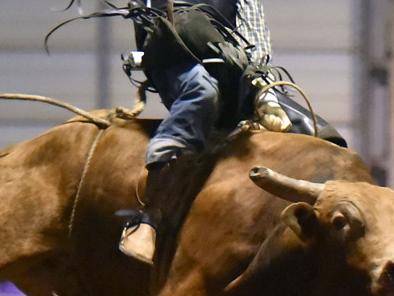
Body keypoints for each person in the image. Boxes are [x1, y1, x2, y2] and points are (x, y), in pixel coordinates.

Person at [116, 0, 288, 264]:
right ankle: (148, 218)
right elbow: (146, 24)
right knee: (201, 93)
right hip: (177, 61)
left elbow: (256, 40)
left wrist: (266, 94)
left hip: (233, 68)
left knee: (309, 129)